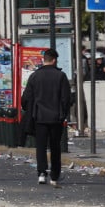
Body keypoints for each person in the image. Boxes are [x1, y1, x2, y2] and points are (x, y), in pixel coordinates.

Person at [20, 49, 71, 187]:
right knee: (55, 147)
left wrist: (29, 109)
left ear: (44, 59)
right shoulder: (61, 76)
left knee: (41, 146)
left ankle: (42, 173)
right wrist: (63, 113)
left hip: (39, 117)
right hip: (56, 117)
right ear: (54, 60)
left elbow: (25, 98)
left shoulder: (35, 76)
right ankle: (55, 175)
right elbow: (67, 98)